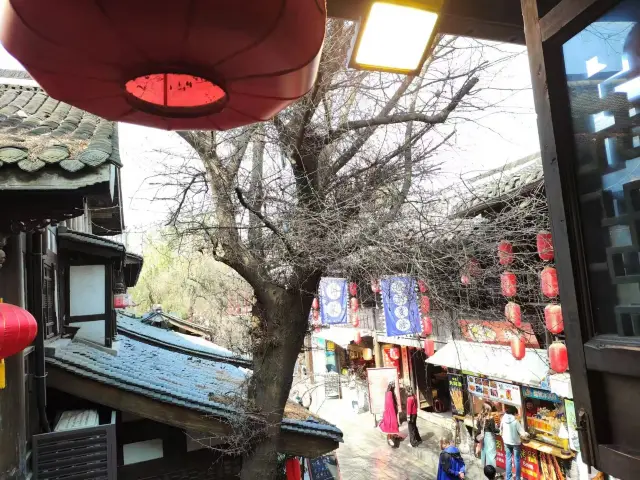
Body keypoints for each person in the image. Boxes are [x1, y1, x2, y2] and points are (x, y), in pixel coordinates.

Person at [500, 405, 527, 480]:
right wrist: (526, 434)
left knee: (508, 459)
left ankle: (508, 478)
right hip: (515, 443)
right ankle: (517, 478)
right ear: (514, 413)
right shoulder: (515, 421)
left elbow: (500, 429)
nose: (516, 415)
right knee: (517, 460)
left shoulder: (503, 419)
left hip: (506, 442)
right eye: (516, 414)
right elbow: (522, 433)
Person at [476, 402, 498, 468]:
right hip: (490, 436)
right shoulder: (490, 418)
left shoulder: (479, 416)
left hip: (483, 436)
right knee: (491, 453)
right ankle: (491, 470)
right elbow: (493, 430)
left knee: (484, 451)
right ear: (489, 409)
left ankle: (484, 467)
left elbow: (478, 426)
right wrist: (499, 430)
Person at [379, 381, 400, 447]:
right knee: (390, 427)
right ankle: (391, 441)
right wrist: (394, 410)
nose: (394, 387)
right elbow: (390, 403)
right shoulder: (390, 393)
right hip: (391, 411)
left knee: (390, 428)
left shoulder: (387, 392)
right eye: (393, 386)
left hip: (389, 411)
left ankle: (391, 440)